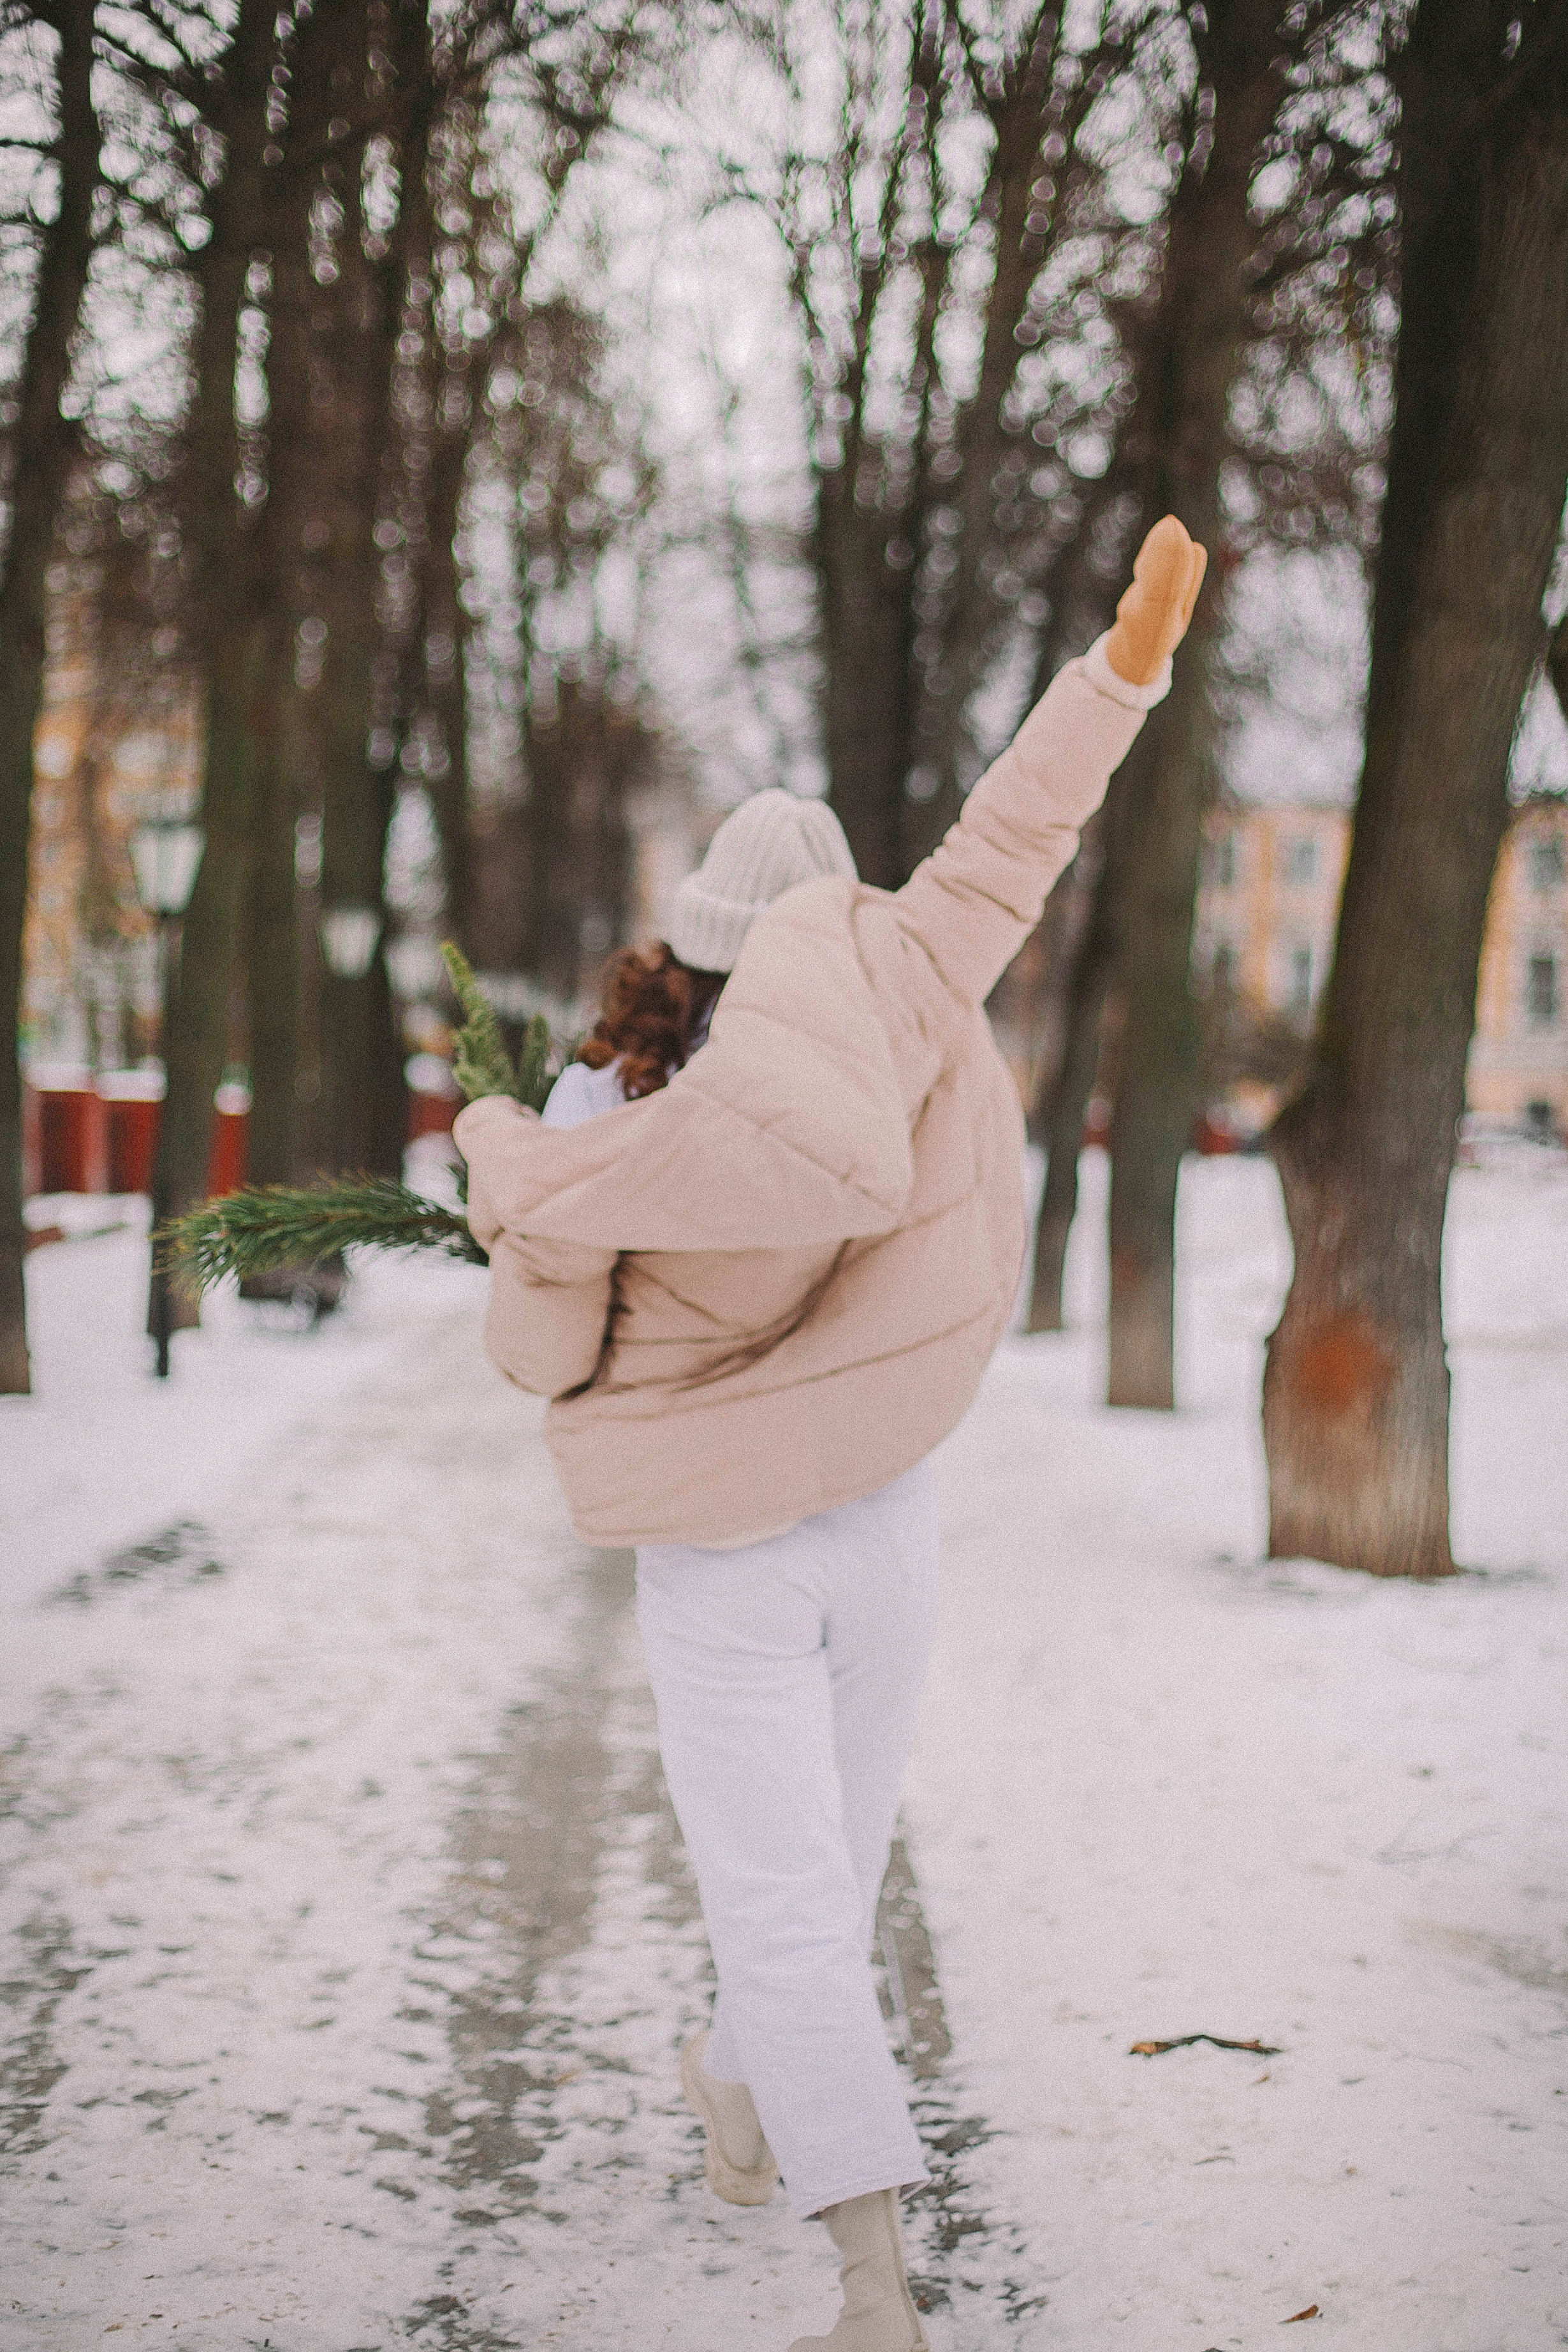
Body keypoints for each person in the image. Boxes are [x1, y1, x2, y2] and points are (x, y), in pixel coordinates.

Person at [453, 516, 1206, 2351]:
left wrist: (510, 1188)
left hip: (726, 1552)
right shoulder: (909, 1009)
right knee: (823, 1886)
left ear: (696, 935)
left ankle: (854, 2259)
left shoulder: (596, 1110)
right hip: (880, 1524)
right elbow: (1014, 833)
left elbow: (540, 1355)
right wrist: (1120, 674)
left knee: (789, 1908)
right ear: (835, 926)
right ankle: (770, 2132)